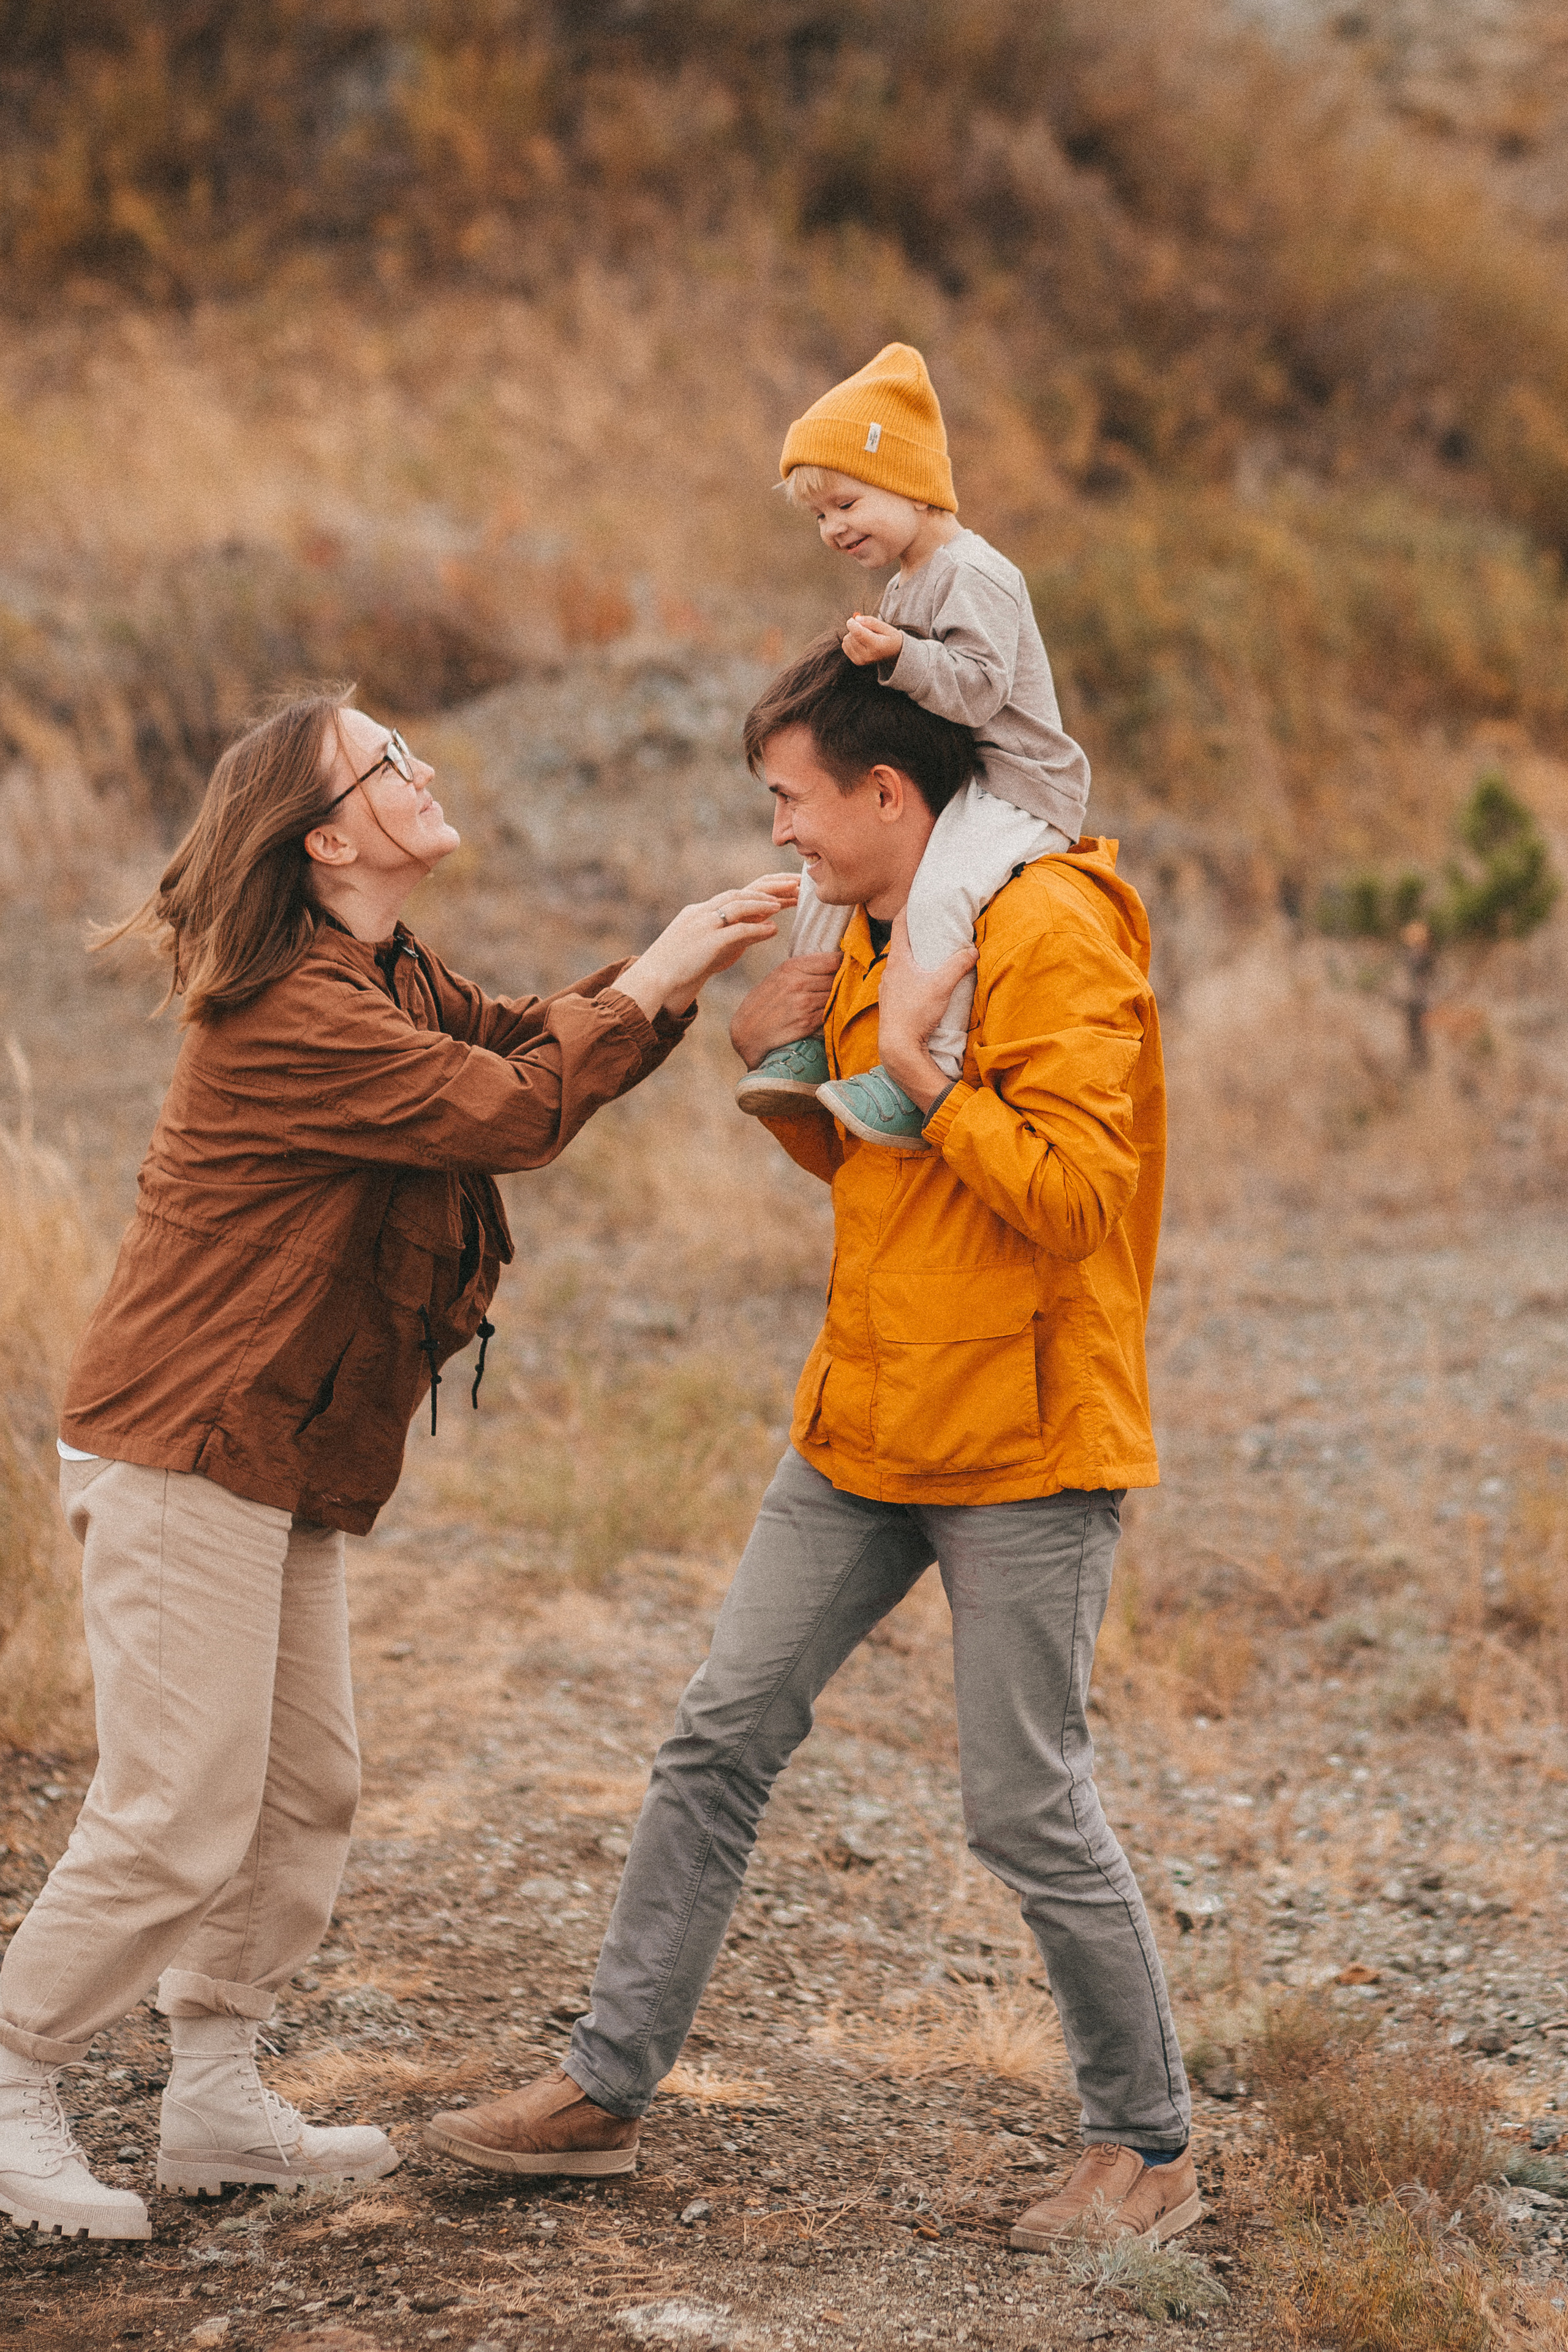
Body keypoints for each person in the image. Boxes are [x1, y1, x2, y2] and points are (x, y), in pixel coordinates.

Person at [426, 637, 1199, 2252]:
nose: (778, 831)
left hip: (1027, 1443)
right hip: (865, 1418)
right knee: (717, 1735)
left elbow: (1072, 1198)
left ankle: (1148, 2147)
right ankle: (601, 2093)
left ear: (885, 790)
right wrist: (782, 1068)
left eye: (790, 799)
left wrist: (915, 1057)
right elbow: (882, 1176)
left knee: (1023, 1804)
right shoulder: (869, 921)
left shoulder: (1048, 925)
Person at [0, 691, 795, 2242]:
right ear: (329, 835)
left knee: (303, 1793)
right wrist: (652, 975)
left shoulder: (385, 971)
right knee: (178, 1807)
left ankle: (214, 2096)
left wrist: (675, 962)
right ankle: (13, 2068)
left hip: (279, 1440)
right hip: (187, 1436)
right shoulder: (291, 1008)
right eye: (388, 764)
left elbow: (511, 1046)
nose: (422, 770)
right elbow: (502, 1112)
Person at [734, 341, 1093, 1151]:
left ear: (914, 486)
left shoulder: (979, 576)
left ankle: (921, 1069)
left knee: (938, 897)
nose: (833, 528)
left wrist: (897, 658)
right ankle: (809, 1038)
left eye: (847, 504)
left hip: (1020, 785)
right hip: (963, 778)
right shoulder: (907, 584)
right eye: (821, 516)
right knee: (821, 886)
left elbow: (974, 690)